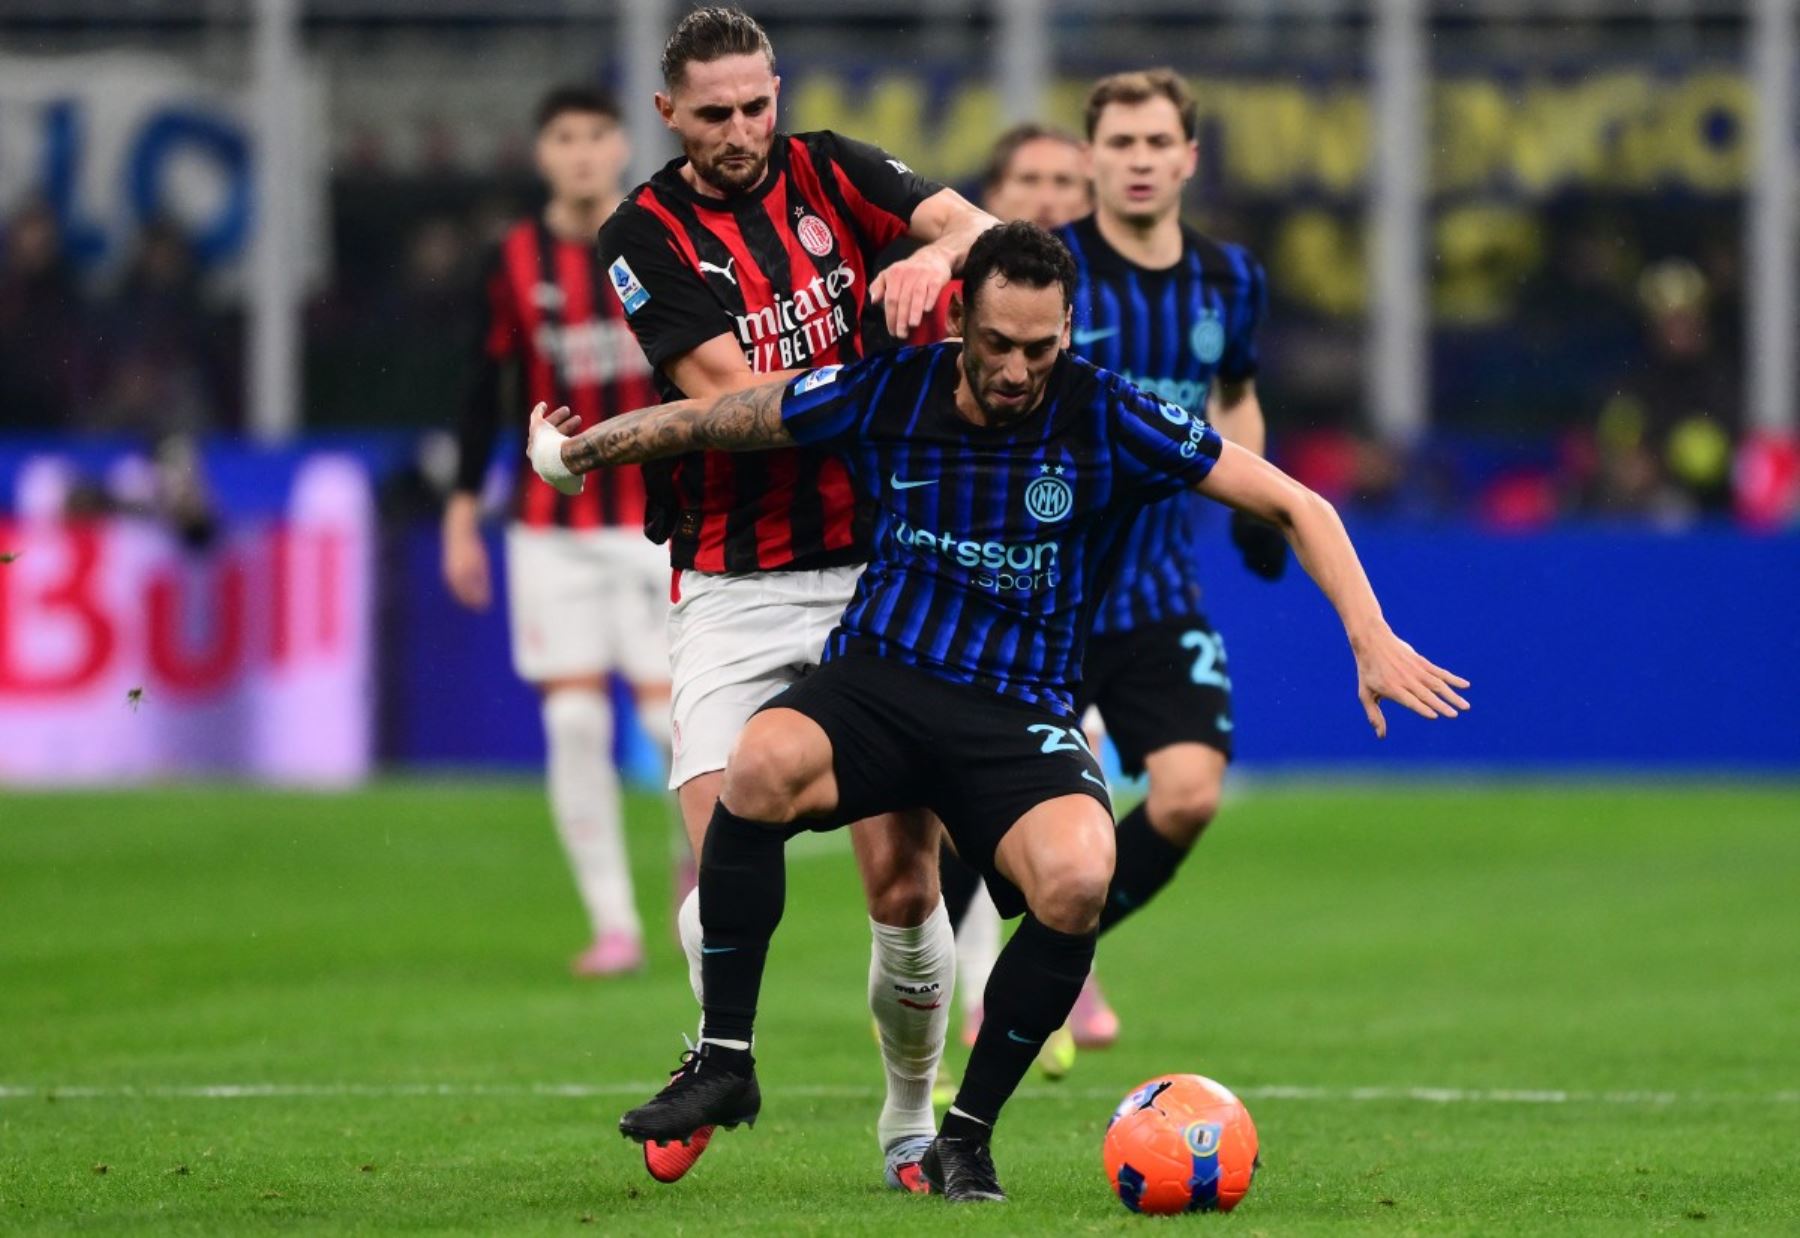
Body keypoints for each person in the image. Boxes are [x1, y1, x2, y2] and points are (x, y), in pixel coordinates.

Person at [529, 220, 1470, 1202]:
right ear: (960, 322)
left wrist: (1369, 635)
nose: (1019, 369)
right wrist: (577, 451)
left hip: (1016, 709)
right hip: (882, 682)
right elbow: (721, 417)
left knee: (1080, 875)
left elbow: (1298, 504)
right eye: (997, 344)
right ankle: (725, 1057)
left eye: (1040, 347)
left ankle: (965, 1135)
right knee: (761, 761)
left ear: (1067, 330)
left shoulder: (1105, 411)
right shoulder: (891, 387)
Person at [593, 6, 999, 1190]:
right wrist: (892, 376)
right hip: (734, 579)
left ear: (778, 90)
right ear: (668, 113)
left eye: (756, 105)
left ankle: (910, 1123)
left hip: (879, 572)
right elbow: (737, 399)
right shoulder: (642, 234)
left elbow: (984, 230)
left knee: (905, 882)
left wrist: (934, 258)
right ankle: (720, 1050)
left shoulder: (833, 169)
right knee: (720, 863)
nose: (740, 131)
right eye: (714, 113)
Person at [1051, 68, 1295, 1042]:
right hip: (1045, 593)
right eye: (1121, 143)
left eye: (1159, 143)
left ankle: (1059, 948)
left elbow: (1234, 394)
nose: (1140, 160)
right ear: (1089, 158)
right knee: (990, 823)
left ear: (1190, 157)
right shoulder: (1052, 270)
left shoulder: (1230, 280)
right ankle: (948, 971)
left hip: (1157, 588)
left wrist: (1257, 507)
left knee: (1189, 795)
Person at [443, 86, 669, 979]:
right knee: (574, 720)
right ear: (543, 154)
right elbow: (481, 386)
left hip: (656, 517)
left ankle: (697, 873)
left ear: (622, 146)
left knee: (673, 724)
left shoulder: (661, 236)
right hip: (550, 524)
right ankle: (614, 924)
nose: (581, 153)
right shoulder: (512, 258)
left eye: (595, 135)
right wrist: (464, 512)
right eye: (564, 138)